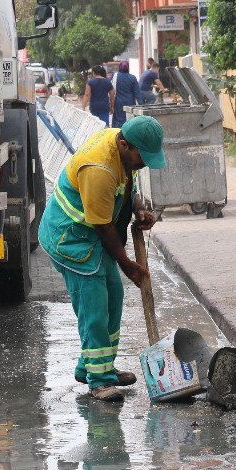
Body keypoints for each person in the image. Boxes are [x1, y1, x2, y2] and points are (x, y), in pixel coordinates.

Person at [37, 116, 166, 402]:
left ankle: (96, 366)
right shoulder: (99, 169)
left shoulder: (118, 145)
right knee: (94, 307)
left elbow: (126, 183)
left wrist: (138, 207)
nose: (144, 163)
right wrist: (127, 264)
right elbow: (104, 227)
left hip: (92, 233)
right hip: (71, 238)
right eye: (142, 157)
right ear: (124, 145)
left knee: (113, 297)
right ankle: (99, 380)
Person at [111, 61, 142, 128]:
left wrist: (110, 104)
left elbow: (111, 90)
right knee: (129, 119)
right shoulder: (133, 78)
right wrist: (141, 104)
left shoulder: (115, 76)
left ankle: (117, 134)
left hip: (118, 102)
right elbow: (137, 93)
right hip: (130, 102)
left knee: (118, 119)